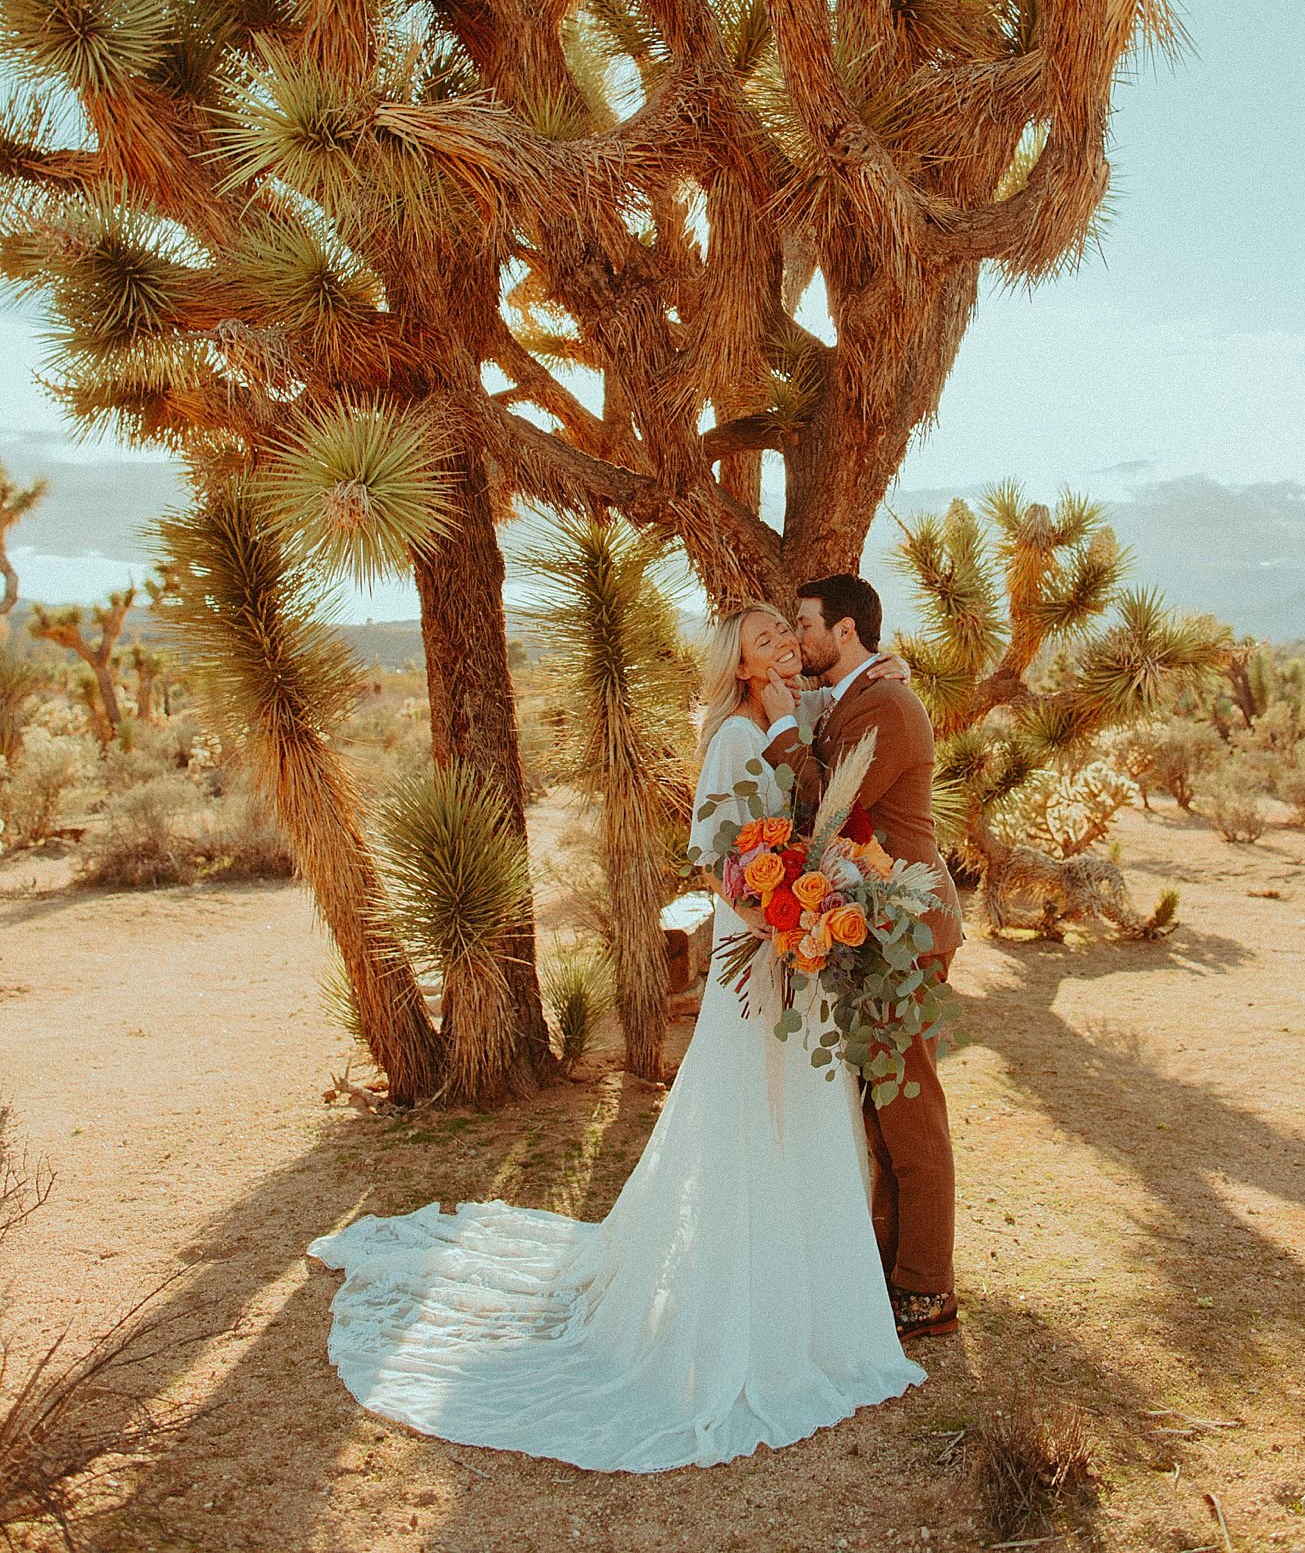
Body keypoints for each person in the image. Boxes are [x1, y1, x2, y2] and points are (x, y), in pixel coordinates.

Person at [306, 602, 923, 1472]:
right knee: (751, 1120)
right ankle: (741, 1313)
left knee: (807, 1117)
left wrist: (887, 672)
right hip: (766, 954)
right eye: (764, 642)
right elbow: (719, 856)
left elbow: (841, 739)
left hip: (806, 957)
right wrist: (776, 917)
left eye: (789, 633)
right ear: (740, 665)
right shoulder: (736, 742)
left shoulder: (803, 717)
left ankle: (817, 1312)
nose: (786, 646)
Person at [761, 573, 963, 1341]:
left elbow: (830, 810)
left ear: (845, 630)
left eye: (805, 623)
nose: (798, 637)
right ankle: (892, 1269)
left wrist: (781, 733)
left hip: (906, 931)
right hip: (880, 929)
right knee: (884, 1108)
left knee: (910, 1111)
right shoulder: (858, 696)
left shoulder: (884, 704)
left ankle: (927, 1289)